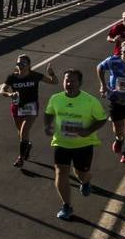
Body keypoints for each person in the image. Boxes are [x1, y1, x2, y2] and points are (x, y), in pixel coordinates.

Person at [43, 70, 108, 221]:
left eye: (73, 81)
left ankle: (85, 181)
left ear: (80, 83)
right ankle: (67, 206)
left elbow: (102, 119)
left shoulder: (90, 101)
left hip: (83, 145)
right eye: (67, 80)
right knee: (60, 172)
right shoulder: (55, 98)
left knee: (80, 174)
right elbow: (49, 112)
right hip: (61, 142)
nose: (69, 83)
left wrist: (88, 131)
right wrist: (47, 126)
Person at [0, 55, 58, 167]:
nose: (20, 66)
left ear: (29, 65)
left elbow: (54, 82)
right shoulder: (12, 77)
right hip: (17, 107)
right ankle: (27, 145)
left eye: (23, 64)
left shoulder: (35, 75)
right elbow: (2, 90)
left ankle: (20, 158)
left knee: (24, 131)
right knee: (21, 133)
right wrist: (10, 94)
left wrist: (51, 73)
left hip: (31, 107)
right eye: (18, 64)